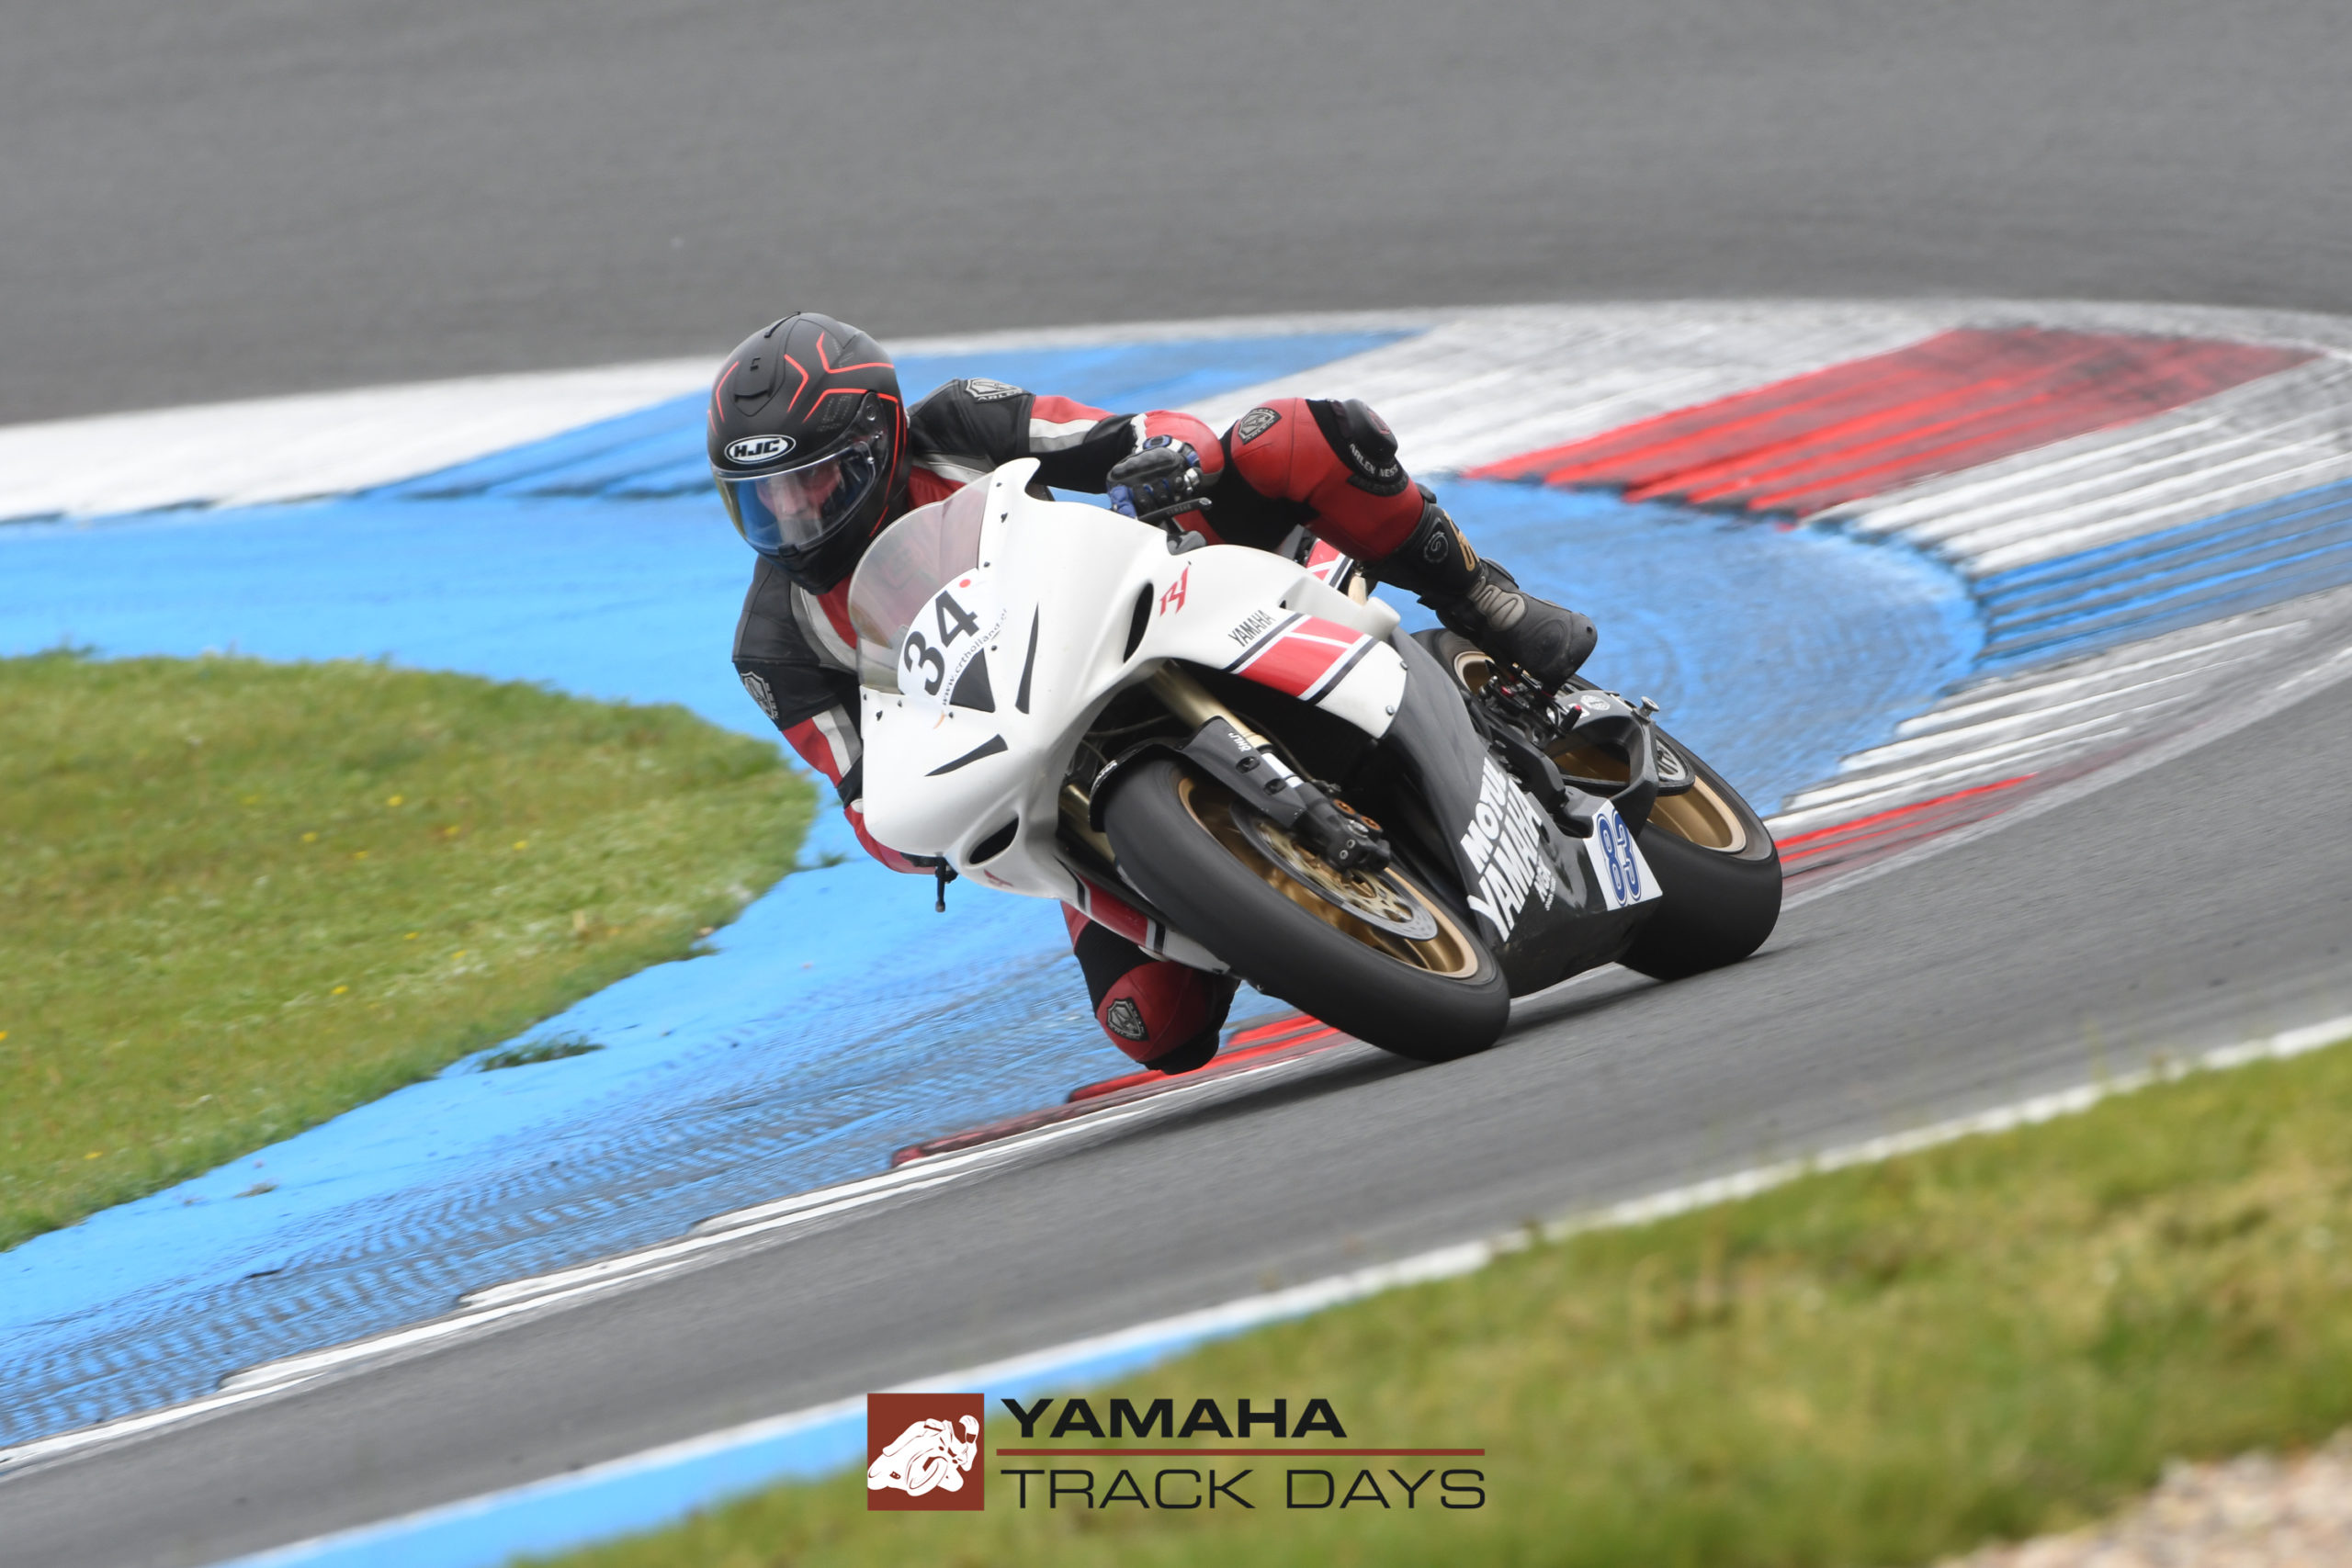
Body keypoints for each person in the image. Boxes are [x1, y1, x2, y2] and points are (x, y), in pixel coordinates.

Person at [713, 312, 1595, 1076]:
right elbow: (865, 800)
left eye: (814, 479)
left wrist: (1164, 458)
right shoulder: (776, 643)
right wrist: (926, 828)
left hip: (1144, 601)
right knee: (1151, 1023)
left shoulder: (960, 422)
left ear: (882, 436)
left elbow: (1133, 431)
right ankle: (1272, 898)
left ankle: (1486, 601)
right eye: (763, 499)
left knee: (1286, 437)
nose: (792, 515)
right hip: (1037, 756)